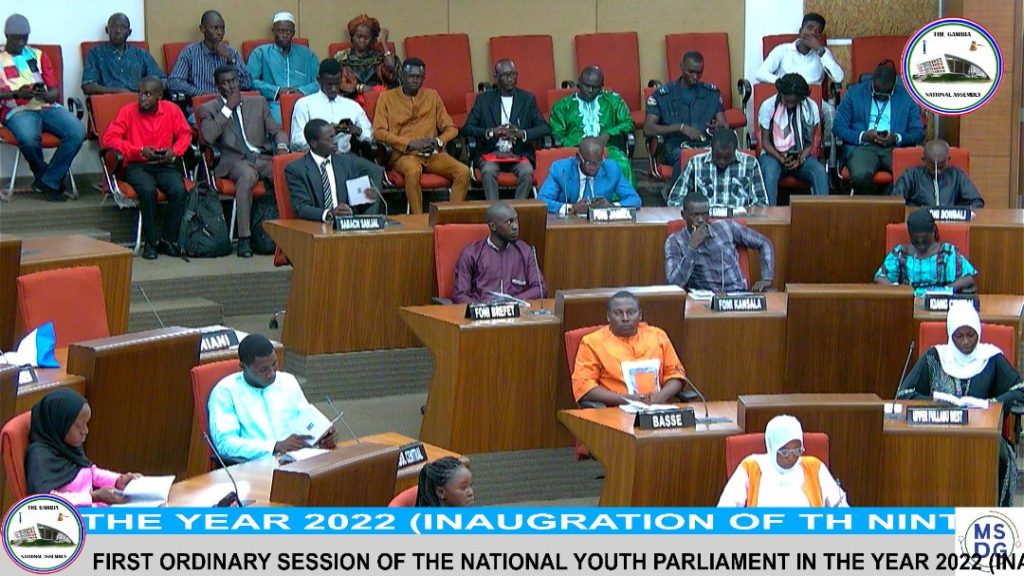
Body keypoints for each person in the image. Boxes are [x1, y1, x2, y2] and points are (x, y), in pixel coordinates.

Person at [897, 302, 1022, 506]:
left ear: (978, 332)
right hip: (937, 433)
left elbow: (1020, 389)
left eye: (971, 335)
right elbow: (904, 394)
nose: (965, 342)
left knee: (1001, 457)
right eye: (959, 336)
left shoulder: (991, 358)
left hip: (983, 435)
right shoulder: (935, 357)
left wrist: (991, 404)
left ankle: (995, 515)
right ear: (950, 334)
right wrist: (933, 403)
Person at [197, 66, 289, 258]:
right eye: (225, 83)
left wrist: (282, 147)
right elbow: (208, 136)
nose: (231, 86)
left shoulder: (258, 103)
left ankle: (288, 232)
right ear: (217, 86)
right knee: (247, 176)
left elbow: (277, 131)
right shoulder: (208, 109)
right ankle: (244, 238)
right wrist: (227, 109)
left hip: (261, 157)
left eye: (234, 81)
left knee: (287, 171)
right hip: (233, 161)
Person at [101, 76, 192, 260]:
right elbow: (109, 139)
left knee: (179, 190)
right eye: (140, 93)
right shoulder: (128, 112)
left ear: (159, 96)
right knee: (148, 191)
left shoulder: (171, 110)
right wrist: (139, 151)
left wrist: (174, 151)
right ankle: (150, 243)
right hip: (137, 165)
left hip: (164, 164)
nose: (142, 98)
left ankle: (167, 240)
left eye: (148, 94)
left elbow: (185, 134)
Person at [208, 334, 337, 462]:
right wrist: (274, 446)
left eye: (274, 364)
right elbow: (225, 444)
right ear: (243, 367)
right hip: (257, 465)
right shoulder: (225, 392)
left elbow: (308, 422)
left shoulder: (287, 380)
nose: (272, 373)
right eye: (263, 370)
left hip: (298, 459)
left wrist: (324, 435)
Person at [0, 14, 85, 202]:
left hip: (46, 106)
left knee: (78, 131)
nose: (21, 42)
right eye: (16, 38)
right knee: (29, 139)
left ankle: (48, 181)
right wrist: (16, 94)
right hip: (17, 110)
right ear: (7, 36)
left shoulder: (38, 55)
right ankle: (46, 178)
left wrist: (46, 95)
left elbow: (55, 92)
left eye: (24, 38)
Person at [372, 57, 469, 214]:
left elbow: (451, 128)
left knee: (463, 172)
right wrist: (409, 143)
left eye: (419, 77)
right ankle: (419, 220)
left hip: (433, 154)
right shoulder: (387, 98)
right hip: (405, 154)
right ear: (402, 76)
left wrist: (438, 141)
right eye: (411, 76)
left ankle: (451, 216)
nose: (415, 80)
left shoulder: (432, 96)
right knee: (413, 172)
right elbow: (378, 132)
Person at [25, 388, 142, 507]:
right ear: (60, 424)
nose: (85, 431)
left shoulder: (67, 447)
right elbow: (45, 500)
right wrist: (92, 497)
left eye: (86, 424)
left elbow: (91, 472)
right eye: (79, 426)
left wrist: (118, 480)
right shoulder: (39, 457)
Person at [572, 291, 686, 407]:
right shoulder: (592, 343)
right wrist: (627, 399)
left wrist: (662, 395)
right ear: (608, 317)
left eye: (631, 313)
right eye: (618, 313)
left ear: (640, 315)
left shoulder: (658, 336)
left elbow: (675, 374)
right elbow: (585, 387)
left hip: (657, 409)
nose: (625, 318)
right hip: (616, 410)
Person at [461, 59, 550, 200]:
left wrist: (522, 134)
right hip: (491, 153)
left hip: (518, 153)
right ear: (496, 77)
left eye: (513, 74)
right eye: (505, 75)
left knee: (527, 172)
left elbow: (544, 128)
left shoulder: (527, 99)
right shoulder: (483, 100)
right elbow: (467, 129)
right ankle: (494, 210)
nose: (510, 78)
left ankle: (517, 209)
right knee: (488, 171)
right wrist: (491, 132)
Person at [834, 61, 925, 195]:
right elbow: (838, 127)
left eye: (886, 94)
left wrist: (896, 137)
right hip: (863, 147)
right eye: (877, 93)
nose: (881, 96)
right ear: (871, 82)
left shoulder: (907, 98)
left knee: (911, 176)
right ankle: (874, 205)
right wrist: (864, 135)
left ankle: (887, 201)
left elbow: (918, 132)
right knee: (860, 176)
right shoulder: (854, 94)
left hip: (895, 148)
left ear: (894, 87)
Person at [718, 415, 848, 507]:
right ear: (771, 447)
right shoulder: (752, 467)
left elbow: (840, 507)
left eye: (797, 451)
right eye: (784, 452)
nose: (791, 458)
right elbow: (726, 510)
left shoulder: (814, 467)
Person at [755, 12, 844, 138]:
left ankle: (829, 148)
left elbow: (839, 77)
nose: (812, 33)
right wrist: (784, 82)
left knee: (830, 111)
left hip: (812, 97)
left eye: (817, 32)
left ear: (819, 37)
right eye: (809, 28)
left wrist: (820, 51)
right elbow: (760, 73)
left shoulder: (823, 53)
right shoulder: (783, 50)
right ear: (800, 31)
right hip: (786, 95)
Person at [665, 191, 775, 292]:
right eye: (695, 215)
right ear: (684, 214)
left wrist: (767, 277)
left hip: (738, 294)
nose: (700, 220)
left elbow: (764, 243)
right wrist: (692, 248)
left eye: (704, 214)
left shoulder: (726, 227)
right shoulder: (675, 241)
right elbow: (674, 284)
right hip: (706, 299)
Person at [643, 51, 727, 182]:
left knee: (726, 154)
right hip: (676, 147)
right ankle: (678, 193)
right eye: (691, 72)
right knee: (684, 156)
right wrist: (680, 128)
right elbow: (648, 128)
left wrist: (719, 127)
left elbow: (723, 124)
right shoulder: (664, 95)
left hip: (706, 145)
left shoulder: (711, 93)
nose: (695, 77)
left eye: (699, 73)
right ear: (681, 67)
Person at [549, 66, 636, 186]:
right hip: (575, 151)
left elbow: (628, 123)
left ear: (602, 86)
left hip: (606, 150)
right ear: (579, 82)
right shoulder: (562, 106)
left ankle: (622, 198)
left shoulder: (613, 101)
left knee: (622, 164)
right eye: (586, 85)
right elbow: (557, 134)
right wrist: (581, 144)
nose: (590, 90)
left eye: (595, 87)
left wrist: (609, 133)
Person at [285, 118, 384, 222]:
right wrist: (330, 213)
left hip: (345, 225)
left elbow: (358, 205)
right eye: (330, 138)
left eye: (334, 136)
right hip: (315, 226)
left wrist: (367, 196)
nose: (335, 141)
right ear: (314, 143)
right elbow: (301, 208)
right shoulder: (296, 169)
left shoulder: (347, 162)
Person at [452, 202, 545, 304]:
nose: (515, 226)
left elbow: (540, 289)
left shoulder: (525, 251)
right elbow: (460, 295)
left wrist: (512, 302)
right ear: (493, 226)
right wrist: (483, 308)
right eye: (509, 222)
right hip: (481, 311)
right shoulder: (471, 253)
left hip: (516, 310)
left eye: (516, 220)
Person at [757, 73, 828, 203]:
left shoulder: (811, 108)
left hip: (801, 155)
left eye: (793, 102)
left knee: (819, 171)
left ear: (801, 98)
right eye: (786, 100)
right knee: (769, 172)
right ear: (781, 93)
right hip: (773, 155)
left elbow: (810, 143)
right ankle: (769, 214)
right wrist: (780, 158)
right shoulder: (768, 106)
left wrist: (800, 159)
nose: (789, 105)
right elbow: (765, 141)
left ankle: (823, 214)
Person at [874, 208, 977, 295]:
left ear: (933, 232)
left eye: (925, 240)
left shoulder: (947, 252)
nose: (921, 244)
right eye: (916, 241)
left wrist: (946, 290)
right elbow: (880, 278)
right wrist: (896, 289)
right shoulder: (900, 252)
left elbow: (968, 279)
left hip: (939, 301)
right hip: (908, 302)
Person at [246, 12, 319, 124]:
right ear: (273, 31)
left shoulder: (307, 54)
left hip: (304, 102)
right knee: (277, 121)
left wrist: (301, 91)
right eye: (281, 31)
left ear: (293, 33)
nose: (285, 35)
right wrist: (277, 91)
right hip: (274, 103)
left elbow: (320, 81)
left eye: (289, 31)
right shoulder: (260, 53)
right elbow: (250, 81)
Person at [290, 59, 373, 157]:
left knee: (372, 167)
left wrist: (358, 131)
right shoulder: (304, 105)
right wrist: (323, 135)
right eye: (329, 84)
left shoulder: (352, 106)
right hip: (317, 159)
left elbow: (369, 136)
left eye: (337, 83)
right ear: (319, 80)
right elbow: (297, 141)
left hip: (345, 158)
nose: (334, 89)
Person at [537, 137, 641, 215]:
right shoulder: (561, 169)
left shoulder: (611, 169)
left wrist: (611, 206)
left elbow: (634, 199)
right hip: (568, 224)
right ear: (578, 157)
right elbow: (542, 201)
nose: (594, 167)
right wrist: (571, 208)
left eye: (598, 163)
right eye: (589, 163)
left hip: (599, 227)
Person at [667, 129, 769, 208]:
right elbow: (675, 200)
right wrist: (694, 213)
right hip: (704, 221)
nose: (722, 161)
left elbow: (762, 203)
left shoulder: (750, 163)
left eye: (727, 158)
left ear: (735, 150)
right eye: (718, 157)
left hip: (739, 222)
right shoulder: (695, 163)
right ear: (711, 149)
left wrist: (747, 213)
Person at [167, 10, 251, 99]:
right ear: (202, 28)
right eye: (215, 28)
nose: (220, 32)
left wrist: (230, 59)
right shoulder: (190, 53)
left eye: (222, 28)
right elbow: (174, 82)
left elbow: (247, 83)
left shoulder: (232, 52)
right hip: (202, 102)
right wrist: (200, 93)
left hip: (228, 102)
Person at [81, 13, 165, 95]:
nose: (118, 31)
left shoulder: (141, 54)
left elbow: (162, 81)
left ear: (129, 32)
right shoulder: (95, 53)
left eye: (123, 27)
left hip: (139, 100)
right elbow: (87, 86)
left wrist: (145, 92)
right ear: (107, 30)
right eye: (113, 27)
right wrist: (118, 92)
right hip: (108, 100)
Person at [891, 139, 984, 208]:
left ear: (948, 160)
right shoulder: (911, 175)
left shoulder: (957, 175)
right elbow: (894, 202)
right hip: (920, 223)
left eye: (941, 166)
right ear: (924, 160)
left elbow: (977, 202)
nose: (937, 171)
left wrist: (957, 212)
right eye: (933, 166)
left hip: (951, 222)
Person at [334, 14, 400, 100]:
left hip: (377, 100)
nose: (362, 40)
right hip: (349, 101)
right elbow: (335, 84)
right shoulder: (342, 58)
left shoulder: (379, 58)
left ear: (372, 39)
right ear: (352, 37)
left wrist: (384, 43)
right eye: (359, 36)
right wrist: (360, 88)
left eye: (366, 37)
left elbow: (392, 70)